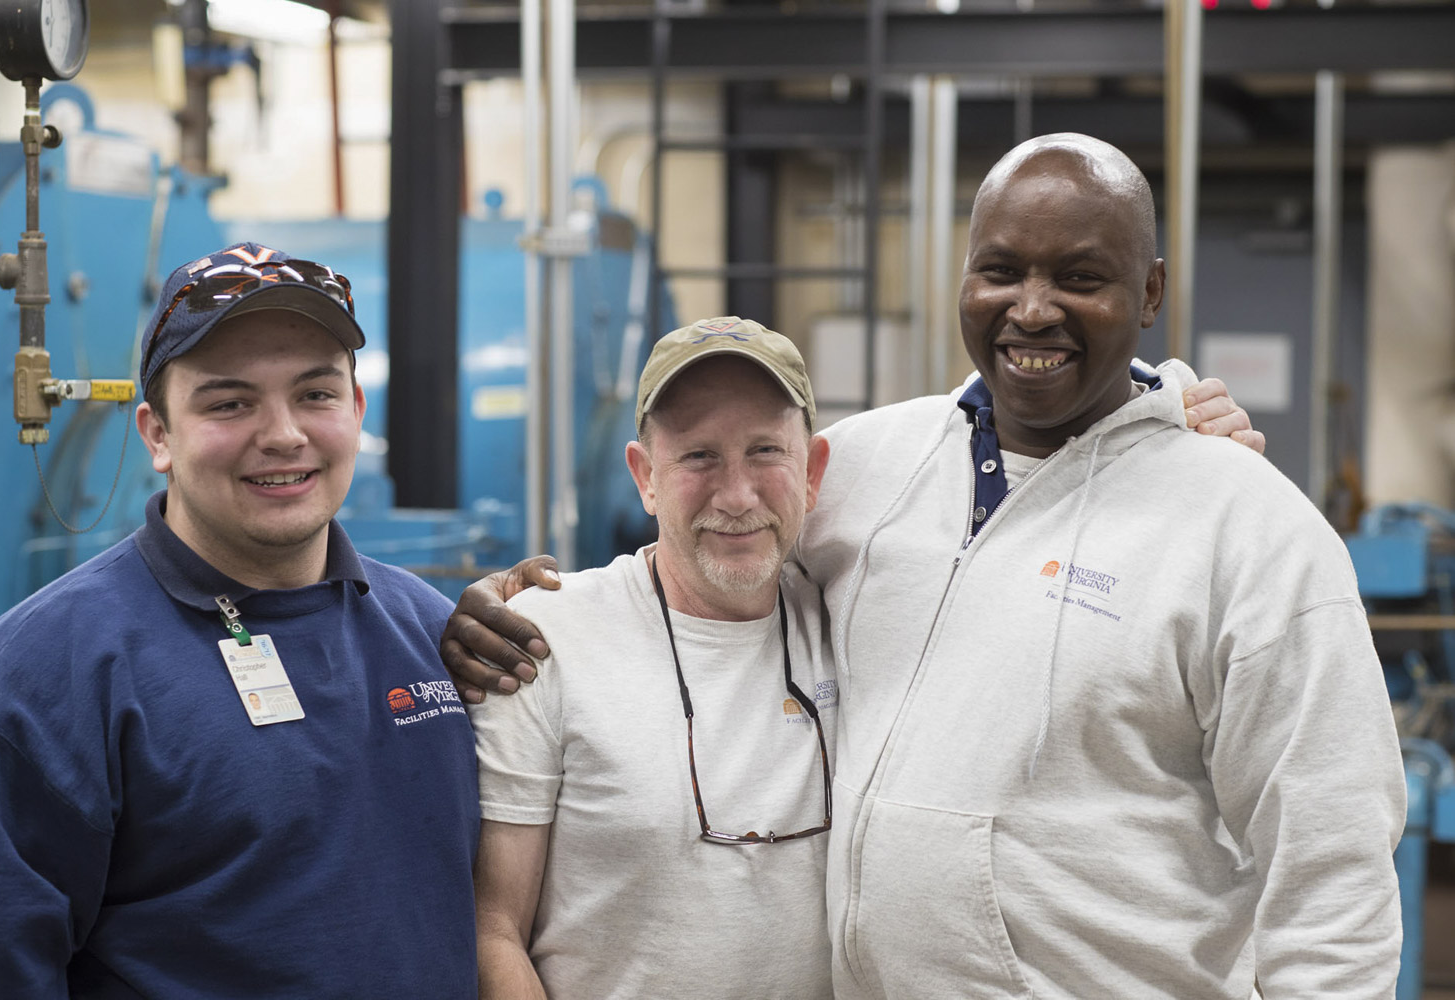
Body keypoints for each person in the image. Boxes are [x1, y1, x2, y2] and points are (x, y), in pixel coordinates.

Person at [447, 134, 1405, 999]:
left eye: (1081, 276)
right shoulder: (875, 465)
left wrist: (1180, 418)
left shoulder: (1246, 529)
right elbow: (715, 528)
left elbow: (1333, 873)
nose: (1032, 309)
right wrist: (499, 607)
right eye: (1000, 271)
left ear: (1150, 293)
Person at [0, 244, 480, 998]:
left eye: (316, 394)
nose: (283, 434)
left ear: (357, 412)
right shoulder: (45, 672)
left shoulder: (429, 630)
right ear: (158, 434)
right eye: (229, 402)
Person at [474, 318, 837, 998]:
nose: (737, 496)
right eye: (699, 457)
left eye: (766, 452)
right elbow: (492, 929)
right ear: (645, 476)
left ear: (812, 471)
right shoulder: (548, 639)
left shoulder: (852, 624)